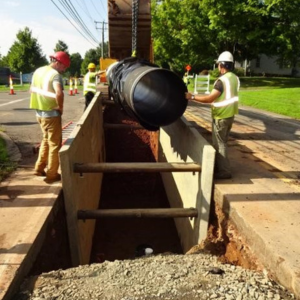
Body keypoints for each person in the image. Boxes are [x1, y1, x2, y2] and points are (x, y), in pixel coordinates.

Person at [186, 51, 240, 179]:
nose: (217, 67)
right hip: (230, 115)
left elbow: (210, 98)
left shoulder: (221, 81)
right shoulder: (234, 78)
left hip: (221, 116)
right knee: (223, 142)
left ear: (221, 65)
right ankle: (219, 166)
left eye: (218, 64)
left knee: (219, 144)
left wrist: (192, 96)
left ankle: (224, 171)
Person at [30, 51, 70, 184]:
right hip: (51, 114)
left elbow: (32, 89)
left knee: (46, 140)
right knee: (54, 144)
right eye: (64, 66)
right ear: (58, 62)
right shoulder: (55, 75)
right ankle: (52, 174)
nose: (64, 70)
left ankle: (39, 168)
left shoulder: (38, 71)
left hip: (39, 113)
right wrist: (61, 107)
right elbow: (59, 93)